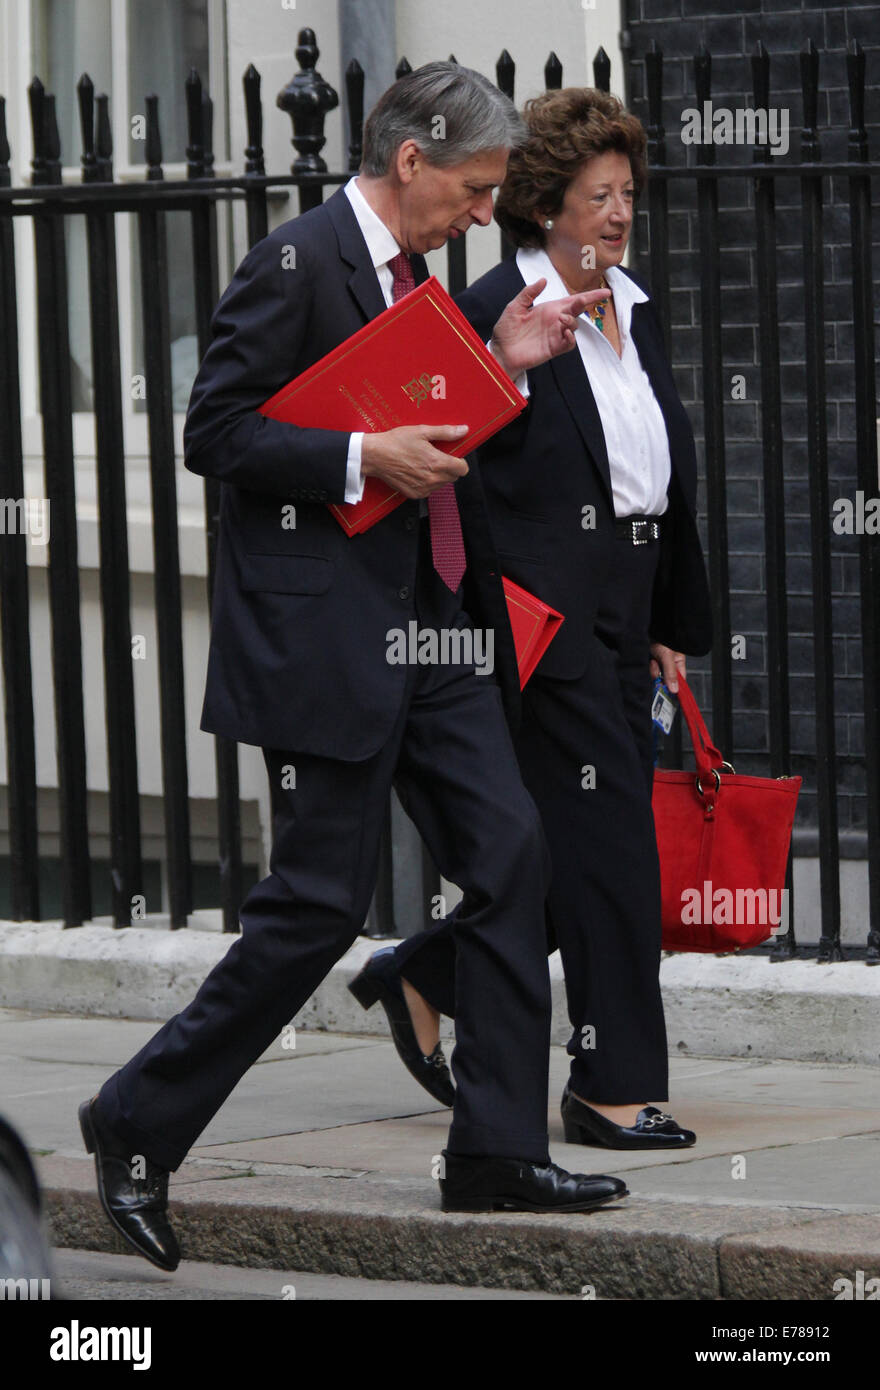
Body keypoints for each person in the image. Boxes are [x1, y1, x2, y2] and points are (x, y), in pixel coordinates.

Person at [77, 64, 629, 1274]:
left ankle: (490, 1149)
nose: (487, 214)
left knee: (510, 855)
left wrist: (500, 355)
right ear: (413, 160)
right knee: (313, 911)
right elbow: (214, 431)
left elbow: (419, 405)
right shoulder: (294, 260)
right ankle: (131, 1121)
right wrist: (357, 455)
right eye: (477, 189)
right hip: (327, 639)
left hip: (431, 626)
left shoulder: (410, 270)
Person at [351, 87, 712, 1151]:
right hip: (540, 614)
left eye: (627, 194)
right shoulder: (491, 305)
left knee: (563, 850)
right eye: (596, 194)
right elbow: (437, 451)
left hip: (625, 596)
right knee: (612, 852)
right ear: (544, 200)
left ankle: (429, 971)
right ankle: (610, 1085)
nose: (616, 213)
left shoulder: (633, 307)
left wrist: (664, 620)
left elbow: (654, 477)